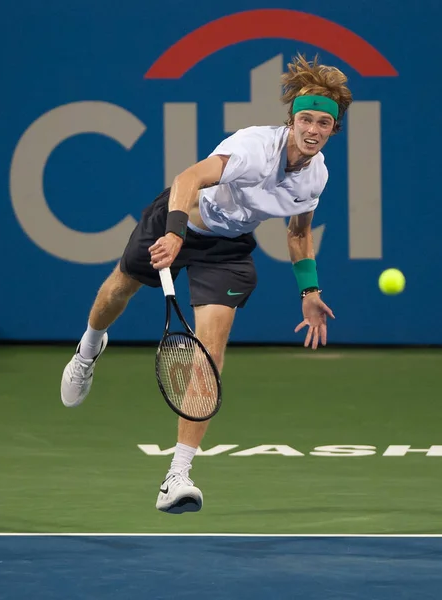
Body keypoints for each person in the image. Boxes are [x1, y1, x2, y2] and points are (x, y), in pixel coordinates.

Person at [60, 53, 353, 514]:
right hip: (179, 223)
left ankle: (177, 475)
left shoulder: (317, 175)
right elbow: (189, 178)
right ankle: (89, 349)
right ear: (291, 120)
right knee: (120, 288)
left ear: (334, 129)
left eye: (323, 122)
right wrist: (174, 233)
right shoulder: (254, 147)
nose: (313, 129)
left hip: (227, 250)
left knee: (209, 354)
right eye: (305, 119)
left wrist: (309, 292)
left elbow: (297, 234)